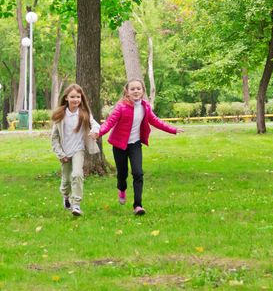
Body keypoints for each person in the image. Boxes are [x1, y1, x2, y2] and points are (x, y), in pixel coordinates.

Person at [97, 78, 183, 215]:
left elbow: (155, 121)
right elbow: (110, 122)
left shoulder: (145, 106)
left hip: (135, 144)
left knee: (138, 173)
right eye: (132, 89)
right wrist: (99, 132)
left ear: (143, 91)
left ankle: (138, 205)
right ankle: (122, 188)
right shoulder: (121, 106)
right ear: (127, 92)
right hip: (120, 145)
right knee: (122, 173)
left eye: (138, 88)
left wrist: (172, 129)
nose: (136, 91)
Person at [51, 84, 100, 216]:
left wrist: (95, 131)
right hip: (65, 152)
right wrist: (60, 154)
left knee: (77, 174)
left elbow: (95, 124)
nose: (75, 100)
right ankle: (66, 196)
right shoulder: (60, 115)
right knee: (66, 180)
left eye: (78, 97)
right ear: (66, 98)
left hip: (79, 150)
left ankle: (76, 204)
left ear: (81, 98)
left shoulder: (84, 114)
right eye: (72, 97)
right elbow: (54, 138)